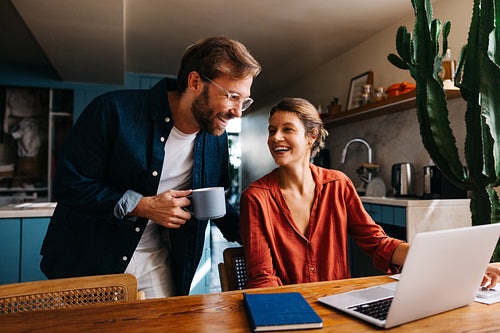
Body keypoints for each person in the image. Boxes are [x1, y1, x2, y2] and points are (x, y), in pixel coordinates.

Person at [40, 36, 261, 298]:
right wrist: (143, 206)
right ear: (194, 82)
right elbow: (70, 184)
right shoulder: (112, 110)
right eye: (232, 96)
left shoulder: (216, 136)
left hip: (156, 261)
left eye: (244, 101)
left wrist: (261, 237)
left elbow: (215, 202)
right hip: (89, 259)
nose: (238, 112)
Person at [240, 97, 409, 288]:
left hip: (338, 303)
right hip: (287, 307)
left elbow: (378, 243)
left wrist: (425, 253)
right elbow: (262, 277)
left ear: (311, 136)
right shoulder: (255, 198)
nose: (275, 137)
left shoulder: (338, 184)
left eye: (287, 129)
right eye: (272, 131)